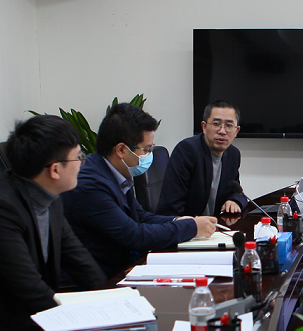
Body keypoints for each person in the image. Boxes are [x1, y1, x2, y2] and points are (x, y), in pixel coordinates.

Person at [0, 115, 107, 331]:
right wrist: (82, 316)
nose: (81, 165)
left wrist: (108, 300)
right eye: (78, 158)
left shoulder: (50, 198)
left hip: (27, 318)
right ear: (55, 170)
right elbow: (28, 287)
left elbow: (79, 260)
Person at [62, 102, 216, 277]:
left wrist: (178, 220)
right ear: (121, 150)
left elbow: (140, 216)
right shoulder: (90, 185)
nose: (149, 155)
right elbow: (134, 235)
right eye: (146, 149)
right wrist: (191, 227)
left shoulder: (115, 171)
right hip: (98, 279)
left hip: (120, 268)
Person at [157, 100, 248, 218]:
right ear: (204, 127)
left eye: (229, 125)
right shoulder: (187, 150)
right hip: (185, 225)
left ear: (236, 131)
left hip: (214, 225)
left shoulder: (233, 154)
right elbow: (171, 205)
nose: (222, 131)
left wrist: (234, 200)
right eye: (216, 124)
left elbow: (237, 191)